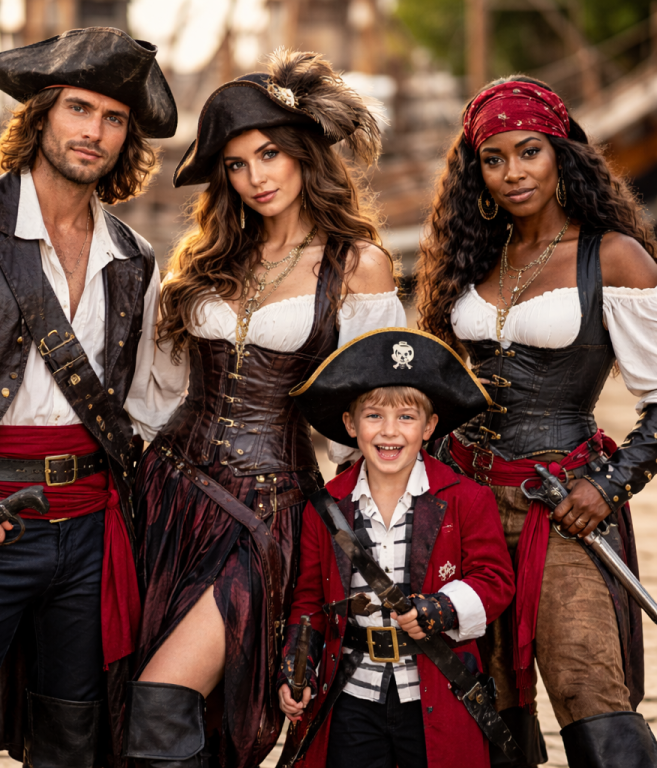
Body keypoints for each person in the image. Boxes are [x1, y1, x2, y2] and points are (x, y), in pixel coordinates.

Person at [0, 28, 177, 768]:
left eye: (115, 119)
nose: (96, 132)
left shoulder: (134, 259)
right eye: (80, 109)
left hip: (91, 532)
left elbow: (145, 406)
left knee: (74, 741)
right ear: (41, 115)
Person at [124, 50, 406, 768]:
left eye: (270, 154)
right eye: (238, 164)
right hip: (166, 501)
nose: (257, 178)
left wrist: (379, 535)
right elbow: (152, 397)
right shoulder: (207, 260)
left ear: (305, 153)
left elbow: (378, 419)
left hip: (268, 512)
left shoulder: (357, 265)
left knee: (164, 693)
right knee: (146, 698)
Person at [416, 76, 657, 768]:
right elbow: (443, 385)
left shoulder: (612, 256)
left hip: (563, 505)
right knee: (477, 696)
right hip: (463, 501)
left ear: (561, 154)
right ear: (476, 170)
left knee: (590, 687)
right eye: (494, 159)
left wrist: (608, 487)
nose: (513, 173)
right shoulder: (471, 254)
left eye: (529, 152)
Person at [275, 328, 515, 768]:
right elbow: (309, 600)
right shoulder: (325, 508)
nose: (390, 432)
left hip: (438, 692)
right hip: (350, 696)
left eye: (406, 417)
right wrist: (298, 667)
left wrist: (438, 609)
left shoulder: (466, 498)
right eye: (373, 417)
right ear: (350, 425)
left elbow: (495, 581)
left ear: (429, 426)